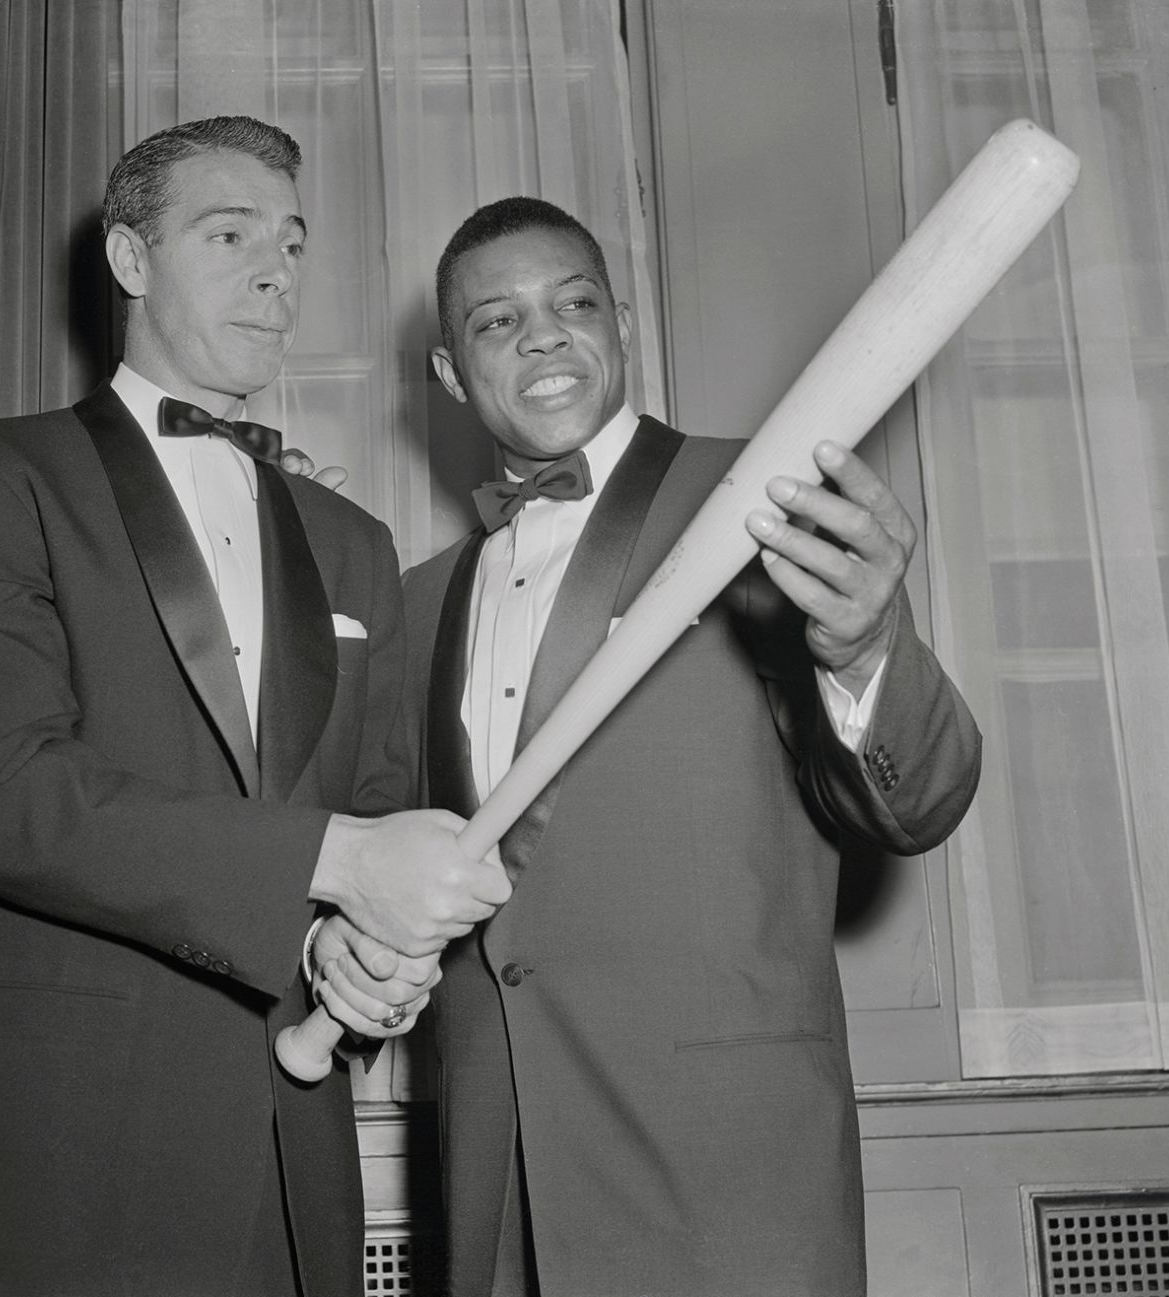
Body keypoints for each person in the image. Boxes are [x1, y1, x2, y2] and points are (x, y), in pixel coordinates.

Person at [0, 116, 508, 1297]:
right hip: (49, 1146)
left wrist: (357, 954)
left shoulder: (352, 541)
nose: (277, 271)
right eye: (230, 235)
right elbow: (6, 793)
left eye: (293, 242)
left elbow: (370, 807)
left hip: (285, 1142)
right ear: (129, 261)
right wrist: (335, 862)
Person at [334, 196, 983, 1296]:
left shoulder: (772, 501)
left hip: (723, 1170)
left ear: (619, 324)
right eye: (497, 321)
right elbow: (396, 875)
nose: (542, 335)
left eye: (572, 302)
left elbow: (914, 801)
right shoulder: (420, 599)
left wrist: (867, 644)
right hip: (500, 1175)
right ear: (448, 374)